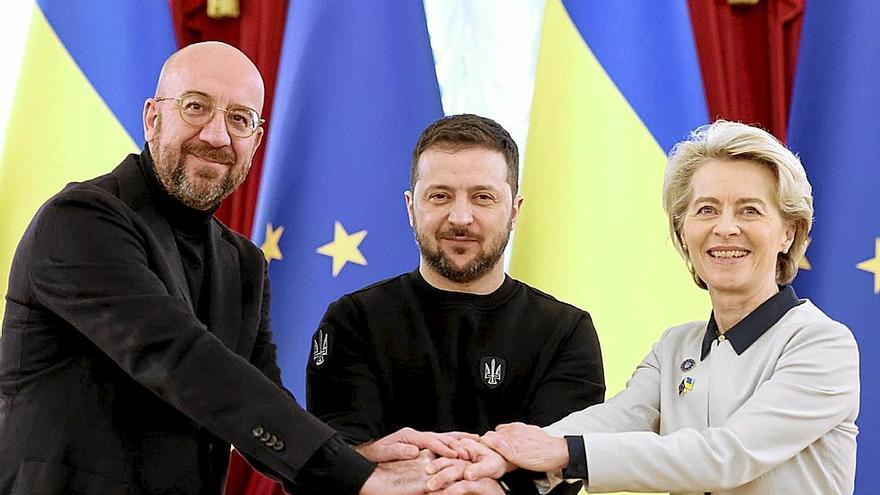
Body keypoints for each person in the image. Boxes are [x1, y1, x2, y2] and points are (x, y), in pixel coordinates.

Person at [0, 41, 460, 495]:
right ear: (152, 118)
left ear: (256, 141)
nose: (217, 136)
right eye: (196, 107)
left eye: (239, 119)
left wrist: (352, 457)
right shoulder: (79, 219)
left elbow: (258, 399)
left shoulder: (242, 263)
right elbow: (182, 359)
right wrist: (357, 479)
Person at [429, 120, 861, 494]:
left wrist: (559, 451)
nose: (725, 228)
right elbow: (617, 419)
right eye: (706, 209)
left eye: (749, 211)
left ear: (788, 233)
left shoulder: (822, 345)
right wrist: (495, 454)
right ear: (683, 230)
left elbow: (727, 455)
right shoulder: (676, 347)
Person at [306, 114, 606, 494]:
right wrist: (372, 462)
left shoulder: (566, 331)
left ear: (514, 211)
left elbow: (560, 470)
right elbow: (333, 459)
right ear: (411, 207)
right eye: (440, 196)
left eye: (482, 197)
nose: (460, 218)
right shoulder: (352, 320)